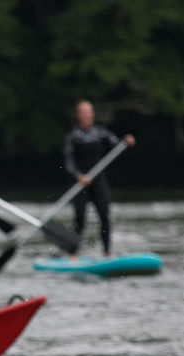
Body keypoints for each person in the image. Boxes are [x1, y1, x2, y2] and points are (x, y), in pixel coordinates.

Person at [62, 100, 136, 258]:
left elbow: (117, 145)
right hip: (79, 182)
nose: (87, 115)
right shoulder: (72, 137)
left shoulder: (101, 132)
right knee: (80, 218)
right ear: (78, 115)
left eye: (89, 111)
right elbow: (68, 162)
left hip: (98, 180)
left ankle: (107, 252)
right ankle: (73, 254)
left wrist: (126, 141)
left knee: (104, 215)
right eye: (84, 112)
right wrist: (78, 176)